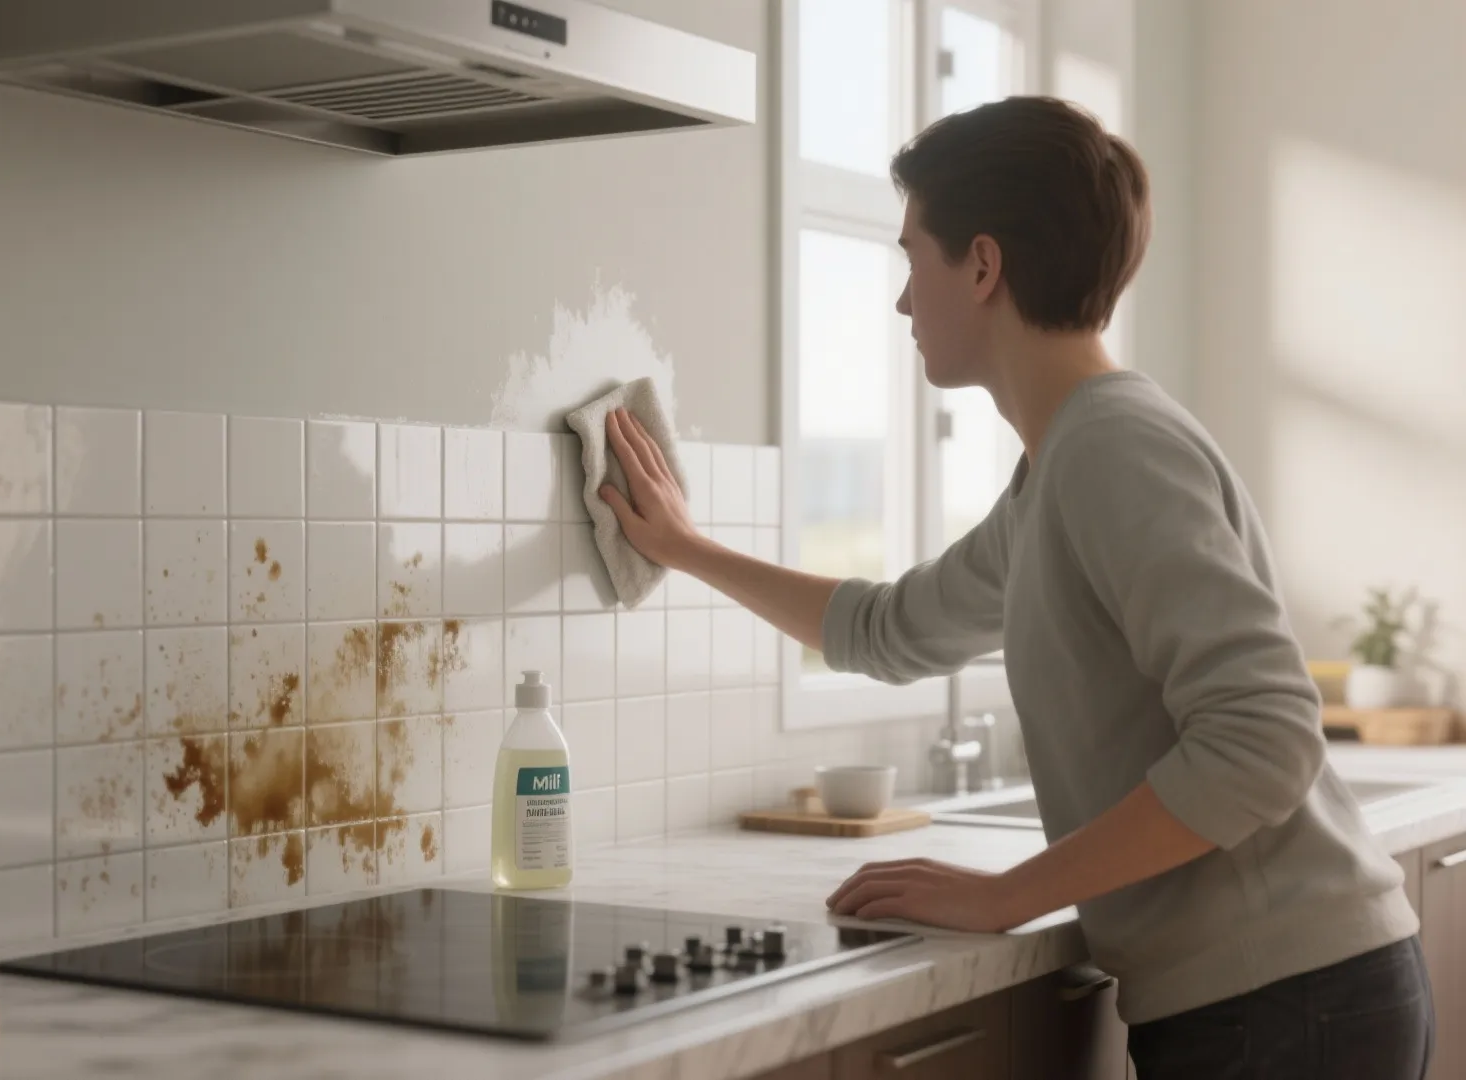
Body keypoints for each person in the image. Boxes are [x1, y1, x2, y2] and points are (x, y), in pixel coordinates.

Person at [595, 95, 1435, 1079]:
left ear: (983, 266)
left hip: (1286, 1005)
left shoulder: (1111, 451)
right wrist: (688, 549)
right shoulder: (1061, 468)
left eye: (913, 258)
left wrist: (1007, 894)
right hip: (1279, 1002)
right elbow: (886, 629)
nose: (903, 302)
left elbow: (1265, 738)